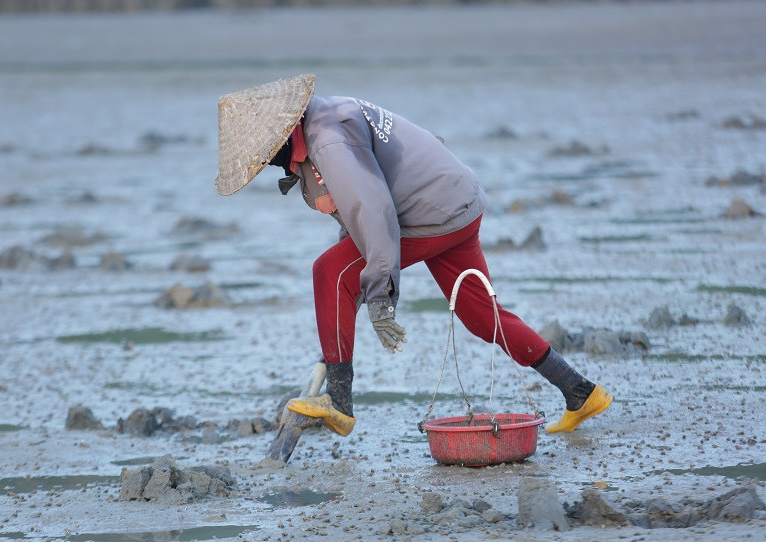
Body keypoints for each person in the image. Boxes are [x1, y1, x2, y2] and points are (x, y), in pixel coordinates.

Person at [215, 74, 612, 438]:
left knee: (328, 271)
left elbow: (374, 211)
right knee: (480, 315)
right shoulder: (323, 116)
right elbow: (356, 214)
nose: (263, 165)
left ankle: (339, 402)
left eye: (260, 158)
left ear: (274, 141)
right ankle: (579, 390)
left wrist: (380, 298)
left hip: (431, 213)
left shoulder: (326, 138)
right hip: (456, 203)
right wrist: (347, 302)